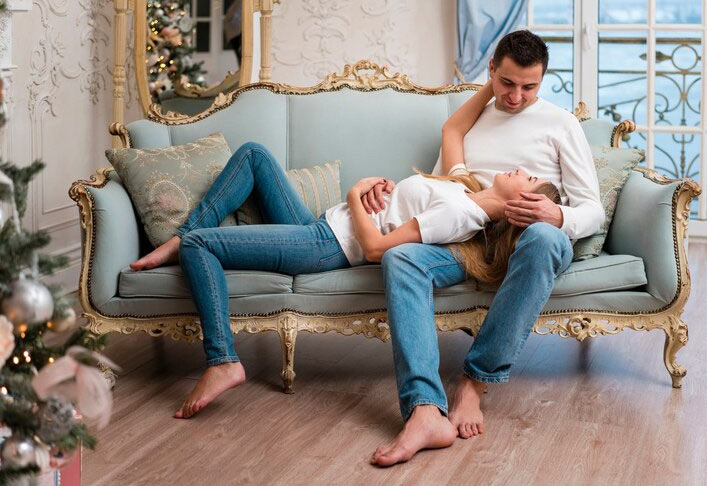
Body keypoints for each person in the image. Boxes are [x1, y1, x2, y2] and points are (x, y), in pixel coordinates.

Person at [129, 141, 559, 419]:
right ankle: (182, 238)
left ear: (524, 200)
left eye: (530, 178)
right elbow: (406, 205)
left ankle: (221, 359)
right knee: (254, 156)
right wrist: (384, 190)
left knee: (200, 246)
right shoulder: (464, 192)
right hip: (324, 224)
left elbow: (376, 249)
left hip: (327, 244)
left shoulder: (463, 214)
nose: (521, 170)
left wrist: (356, 194)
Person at [368, 30, 604, 467]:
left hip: (532, 238)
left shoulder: (561, 124)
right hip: (469, 235)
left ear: (543, 80)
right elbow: (444, 188)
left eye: (529, 87)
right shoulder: (473, 117)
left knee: (545, 237)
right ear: (491, 70)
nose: (516, 97)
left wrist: (559, 217)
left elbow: (594, 209)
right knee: (401, 257)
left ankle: (474, 383)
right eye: (507, 83)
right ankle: (423, 411)